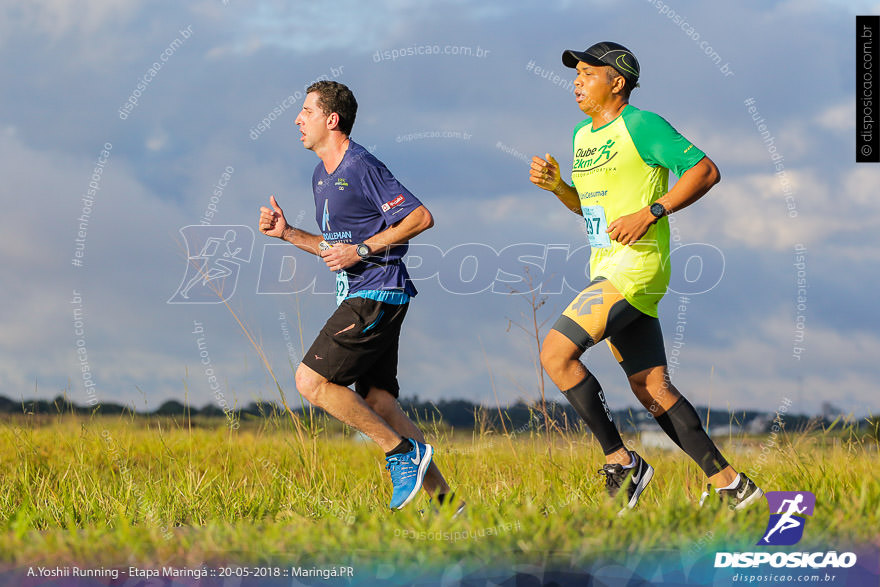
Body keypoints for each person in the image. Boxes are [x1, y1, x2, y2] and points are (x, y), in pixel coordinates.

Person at [529, 42, 762, 512]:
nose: (576, 80)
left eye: (587, 72)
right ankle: (734, 487)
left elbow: (706, 170)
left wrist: (653, 211)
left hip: (636, 268)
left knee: (555, 354)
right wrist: (559, 189)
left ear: (617, 81)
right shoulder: (580, 135)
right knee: (650, 388)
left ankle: (622, 462)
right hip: (607, 267)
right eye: (574, 73)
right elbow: (590, 212)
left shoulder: (643, 125)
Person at [259, 80, 459, 512]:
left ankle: (400, 453)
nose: (297, 119)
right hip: (366, 293)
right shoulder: (320, 176)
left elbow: (420, 216)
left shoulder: (360, 164)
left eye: (306, 111)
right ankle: (448, 506)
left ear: (332, 120)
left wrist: (364, 249)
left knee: (311, 382)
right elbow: (336, 250)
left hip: (377, 292)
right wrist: (288, 233)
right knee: (379, 402)